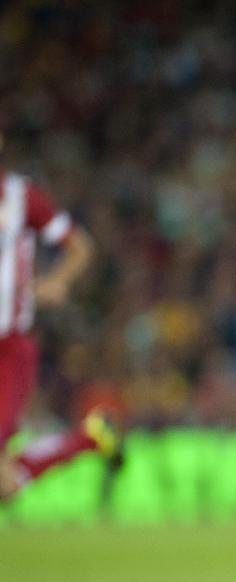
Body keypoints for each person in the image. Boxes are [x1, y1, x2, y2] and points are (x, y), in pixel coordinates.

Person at [0, 134, 119, 502]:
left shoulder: (22, 198)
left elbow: (79, 246)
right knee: (6, 485)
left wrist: (55, 282)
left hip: (8, 349)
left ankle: (90, 438)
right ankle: (91, 438)